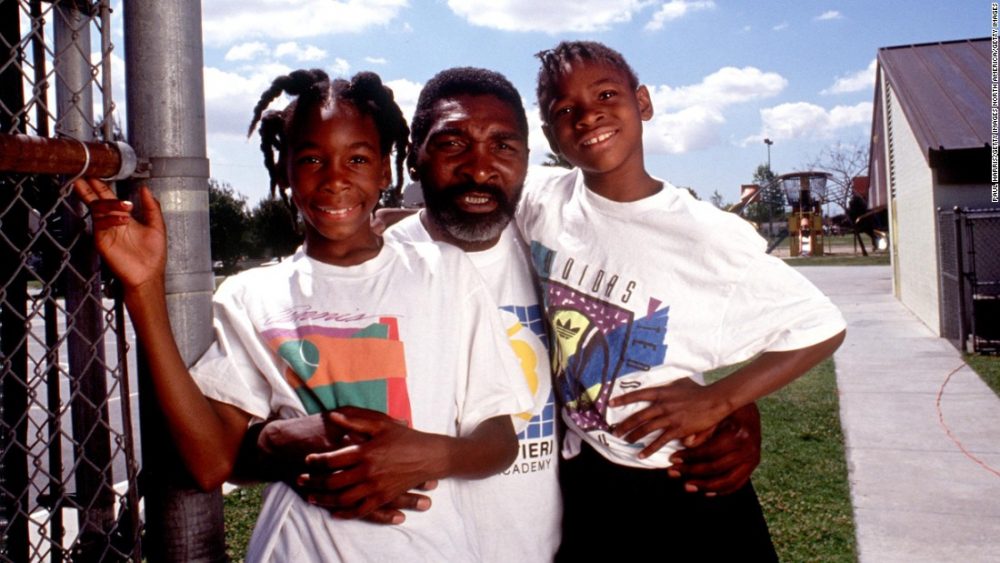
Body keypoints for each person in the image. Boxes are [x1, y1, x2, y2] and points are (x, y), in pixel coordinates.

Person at [255, 66, 768, 562]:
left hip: (552, 542)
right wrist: (274, 440)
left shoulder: (561, 250)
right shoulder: (374, 267)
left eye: (503, 146)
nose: (480, 168)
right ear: (413, 159)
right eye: (452, 143)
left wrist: (735, 408)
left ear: (527, 158)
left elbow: (658, 346)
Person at [73, 69, 532, 562]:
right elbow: (209, 464)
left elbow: (498, 442)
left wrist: (426, 453)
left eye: (357, 158)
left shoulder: (448, 273)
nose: (335, 179)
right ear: (284, 173)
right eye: (312, 159)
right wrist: (143, 289)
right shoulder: (253, 294)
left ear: (385, 171)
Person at [521, 41, 847, 560]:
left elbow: (819, 325)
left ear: (643, 103)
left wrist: (719, 401)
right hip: (588, 473)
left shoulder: (704, 235)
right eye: (565, 110)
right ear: (550, 135)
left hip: (677, 480)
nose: (588, 116)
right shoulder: (543, 199)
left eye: (606, 94)